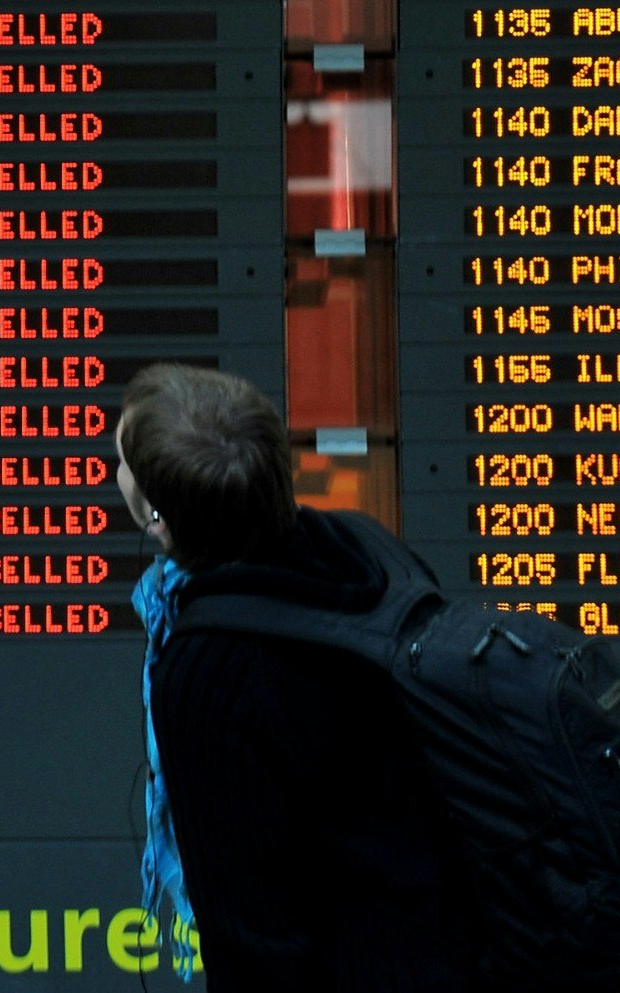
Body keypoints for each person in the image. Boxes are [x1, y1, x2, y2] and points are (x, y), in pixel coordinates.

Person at [116, 363, 473, 991]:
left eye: (121, 462)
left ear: (159, 519)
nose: (114, 472)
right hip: (457, 950)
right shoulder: (366, 550)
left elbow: (251, 937)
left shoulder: (208, 673)